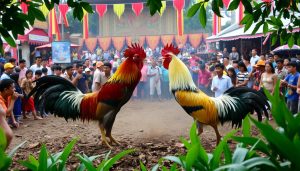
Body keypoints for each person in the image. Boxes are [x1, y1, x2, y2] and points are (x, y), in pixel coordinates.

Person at [0, 79, 19, 149]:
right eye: (13, 87)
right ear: (6, 90)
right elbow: (6, 112)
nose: (14, 89)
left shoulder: (8, 95)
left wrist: (14, 121)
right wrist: (13, 100)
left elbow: (10, 109)